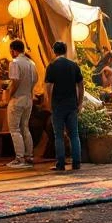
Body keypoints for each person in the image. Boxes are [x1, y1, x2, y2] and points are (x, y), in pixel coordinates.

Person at [44, 40, 84, 171]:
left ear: (54, 51)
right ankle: (76, 162)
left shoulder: (52, 66)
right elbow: (81, 85)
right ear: (65, 51)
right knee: (74, 134)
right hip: (72, 104)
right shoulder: (73, 66)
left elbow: (48, 87)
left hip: (58, 105)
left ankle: (60, 163)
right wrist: (80, 102)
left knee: (59, 135)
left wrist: (49, 103)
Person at [5, 39, 38, 168]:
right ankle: (29, 155)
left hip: (17, 98)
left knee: (14, 129)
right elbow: (35, 80)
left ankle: (19, 158)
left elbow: (15, 81)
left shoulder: (14, 63)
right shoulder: (32, 63)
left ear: (13, 50)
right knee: (25, 127)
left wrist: (10, 95)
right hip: (28, 98)